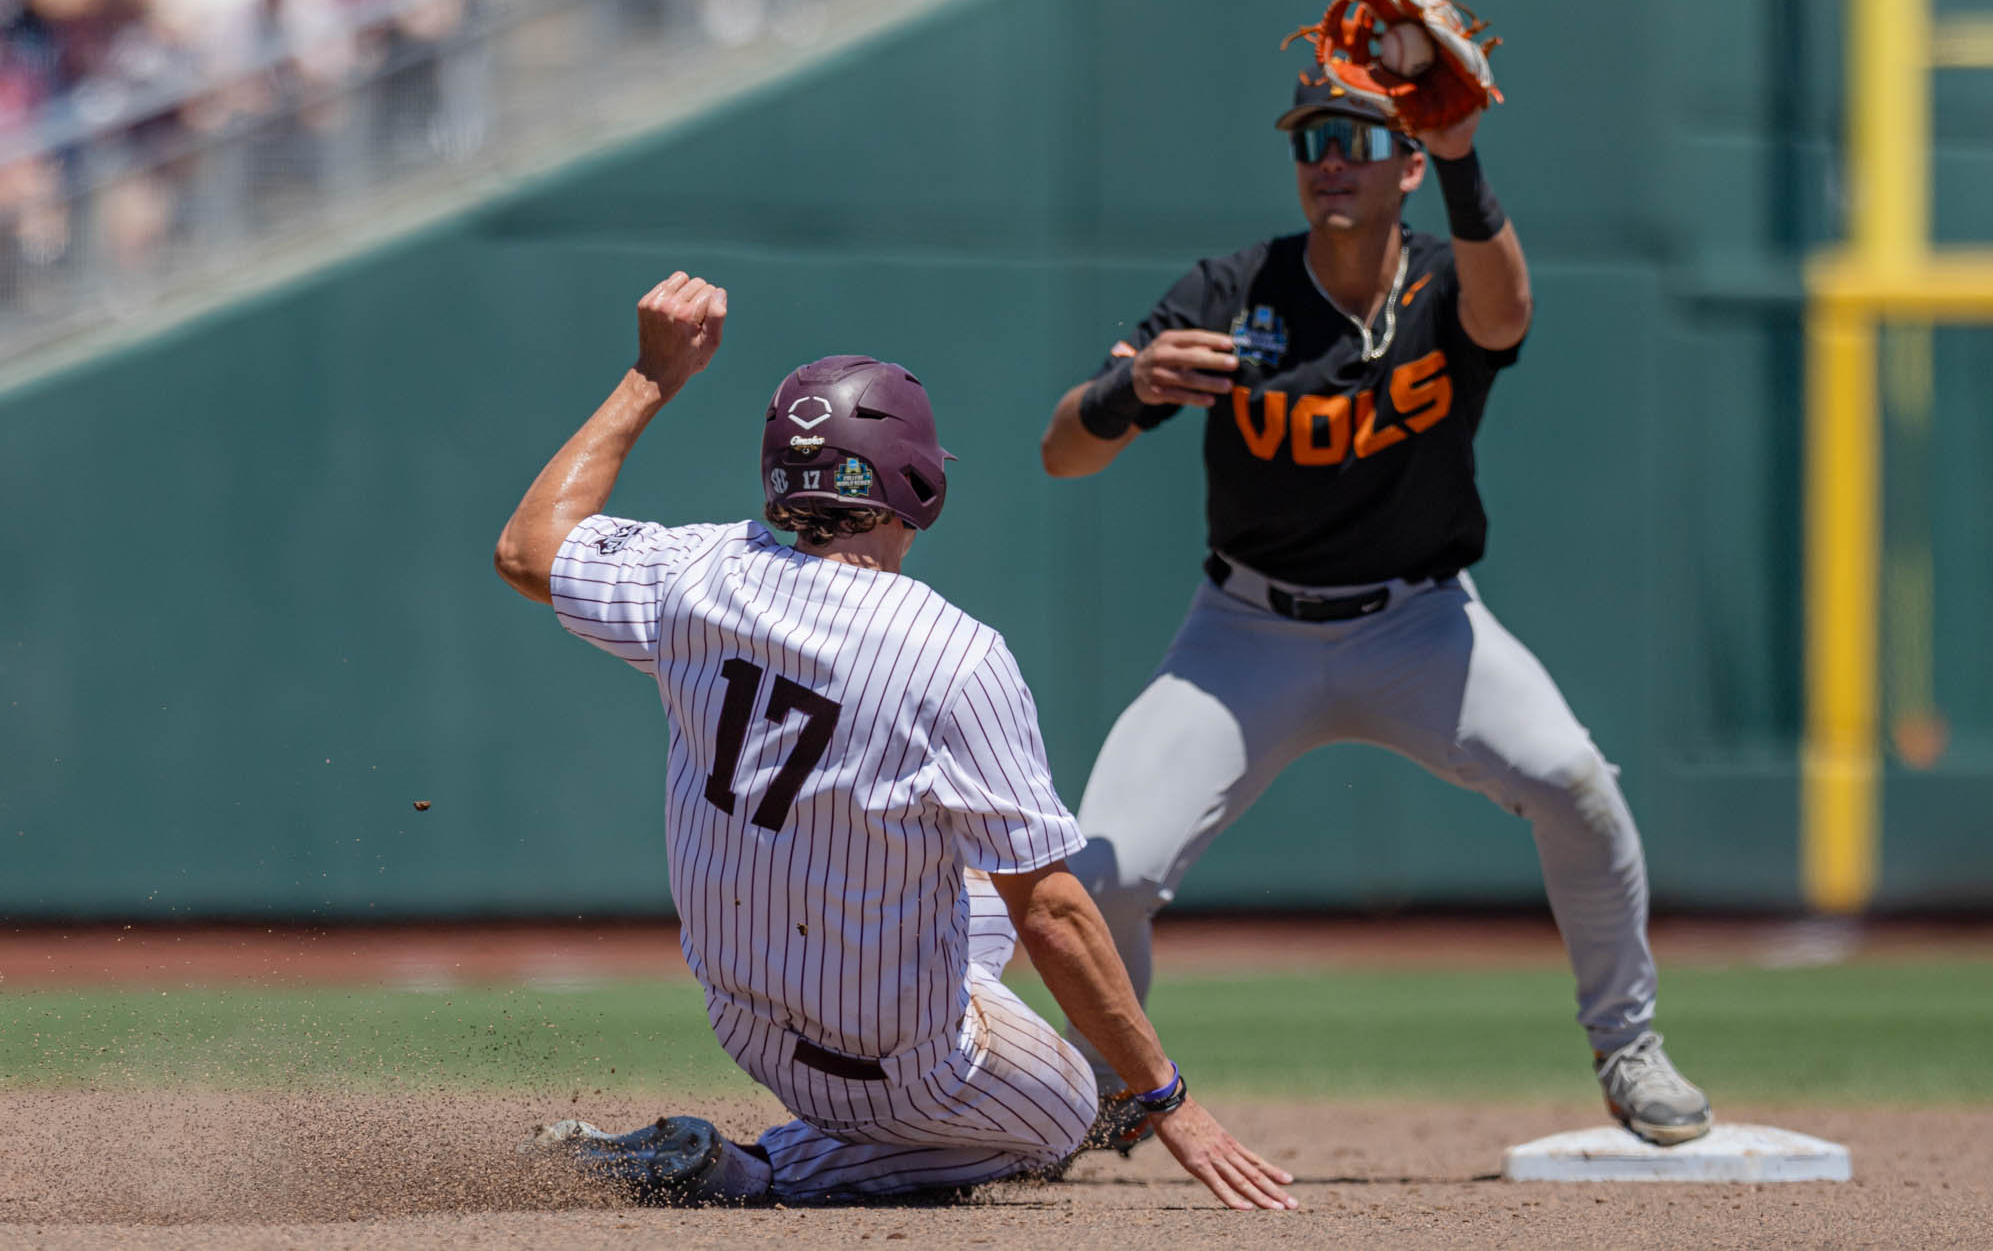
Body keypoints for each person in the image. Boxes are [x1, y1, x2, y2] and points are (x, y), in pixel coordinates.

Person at [493, 271, 1298, 1209]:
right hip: (888, 1063)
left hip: (743, 1021)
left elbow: (527, 547)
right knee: (1072, 1106)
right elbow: (1056, 913)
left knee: (967, 886)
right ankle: (753, 1169)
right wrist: (1169, 1099)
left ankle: (784, 1137)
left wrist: (650, 377)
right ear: (917, 479)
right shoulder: (953, 654)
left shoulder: (693, 573)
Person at [1038, 71, 1713, 1147]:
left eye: (1355, 137)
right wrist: (1128, 390)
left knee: (1574, 784)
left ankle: (1626, 1045)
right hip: (1243, 634)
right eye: (1310, 141)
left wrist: (1460, 154)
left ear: (1407, 165)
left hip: (1418, 627)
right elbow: (1061, 453)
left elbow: (1509, 313)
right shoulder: (1233, 287)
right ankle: (1106, 1084)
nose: (1329, 160)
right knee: (1104, 870)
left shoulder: (1448, 282)